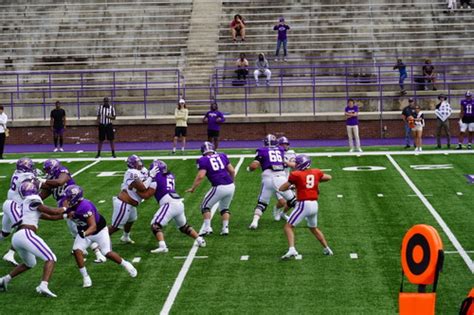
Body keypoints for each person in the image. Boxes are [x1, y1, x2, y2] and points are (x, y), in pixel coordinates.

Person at [0, 181, 67, 297]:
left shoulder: (27, 205)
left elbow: (51, 217)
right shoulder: (32, 200)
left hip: (18, 237)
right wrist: (66, 207)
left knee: (30, 263)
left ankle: (4, 280)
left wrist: (66, 215)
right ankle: (43, 285)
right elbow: (52, 211)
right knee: (51, 258)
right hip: (26, 234)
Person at [63, 185, 137, 288]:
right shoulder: (67, 204)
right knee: (76, 251)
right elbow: (58, 213)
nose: (67, 200)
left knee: (107, 253)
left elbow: (93, 226)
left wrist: (84, 234)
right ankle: (86, 277)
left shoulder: (85, 206)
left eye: (69, 197)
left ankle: (127, 265)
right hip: (85, 231)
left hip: (98, 231)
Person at [39, 159, 106, 264]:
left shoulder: (62, 171)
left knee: (77, 227)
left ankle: (97, 253)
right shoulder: (50, 178)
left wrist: (41, 181)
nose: (47, 172)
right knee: (74, 228)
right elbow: (46, 191)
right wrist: (35, 197)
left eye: (48, 169)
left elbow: (59, 182)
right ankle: (85, 250)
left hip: (71, 201)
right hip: (63, 202)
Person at [136, 160, 206, 253]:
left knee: (155, 225)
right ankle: (200, 239)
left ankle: (162, 246)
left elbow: (148, 195)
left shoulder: (156, 178)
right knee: (183, 226)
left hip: (169, 203)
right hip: (178, 203)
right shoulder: (170, 175)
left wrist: (137, 190)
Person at [279, 155, 333, 259]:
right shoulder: (316, 172)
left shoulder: (296, 174)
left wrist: (292, 186)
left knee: (288, 227)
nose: (296, 165)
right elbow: (328, 177)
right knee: (313, 228)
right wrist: (315, 182)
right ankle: (327, 248)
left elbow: (282, 188)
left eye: (297, 163)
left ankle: (292, 249)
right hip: (314, 205)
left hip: (304, 204)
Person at [247, 134, 296, 229]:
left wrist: (249, 169)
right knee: (293, 200)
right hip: (281, 178)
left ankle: (254, 222)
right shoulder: (280, 150)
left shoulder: (261, 150)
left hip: (268, 178)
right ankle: (306, 217)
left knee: (262, 203)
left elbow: (254, 166)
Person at [186, 142, 236, 236]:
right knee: (224, 208)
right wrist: (232, 182)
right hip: (230, 186)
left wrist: (193, 188)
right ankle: (225, 229)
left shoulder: (203, 160)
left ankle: (207, 228)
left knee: (205, 206)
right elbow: (232, 171)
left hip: (219, 186)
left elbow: (201, 176)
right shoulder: (222, 155)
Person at [1, 157, 38, 266]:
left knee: (5, 232)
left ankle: (11, 253)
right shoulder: (26, 177)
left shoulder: (16, 172)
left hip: (8, 203)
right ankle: (10, 253)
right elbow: (31, 186)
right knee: (24, 227)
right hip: (15, 206)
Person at [109, 155, 151, 244]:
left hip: (131, 203)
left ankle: (125, 237)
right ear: (132, 164)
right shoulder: (131, 172)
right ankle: (96, 242)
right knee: (115, 227)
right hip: (123, 203)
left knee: (131, 220)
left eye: (140, 161)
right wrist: (151, 178)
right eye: (137, 162)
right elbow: (143, 187)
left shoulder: (143, 170)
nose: (140, 164)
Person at [272, 136, 296, 221]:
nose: (284, 146)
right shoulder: (274, 153)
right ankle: (276, 209)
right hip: (277, 179)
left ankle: (283, 214)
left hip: (287, 179)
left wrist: (284, 162)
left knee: (292, 201)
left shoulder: (290, 152)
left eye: (286, 144)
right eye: (282, 144)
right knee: (282, 202)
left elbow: (293, 165)